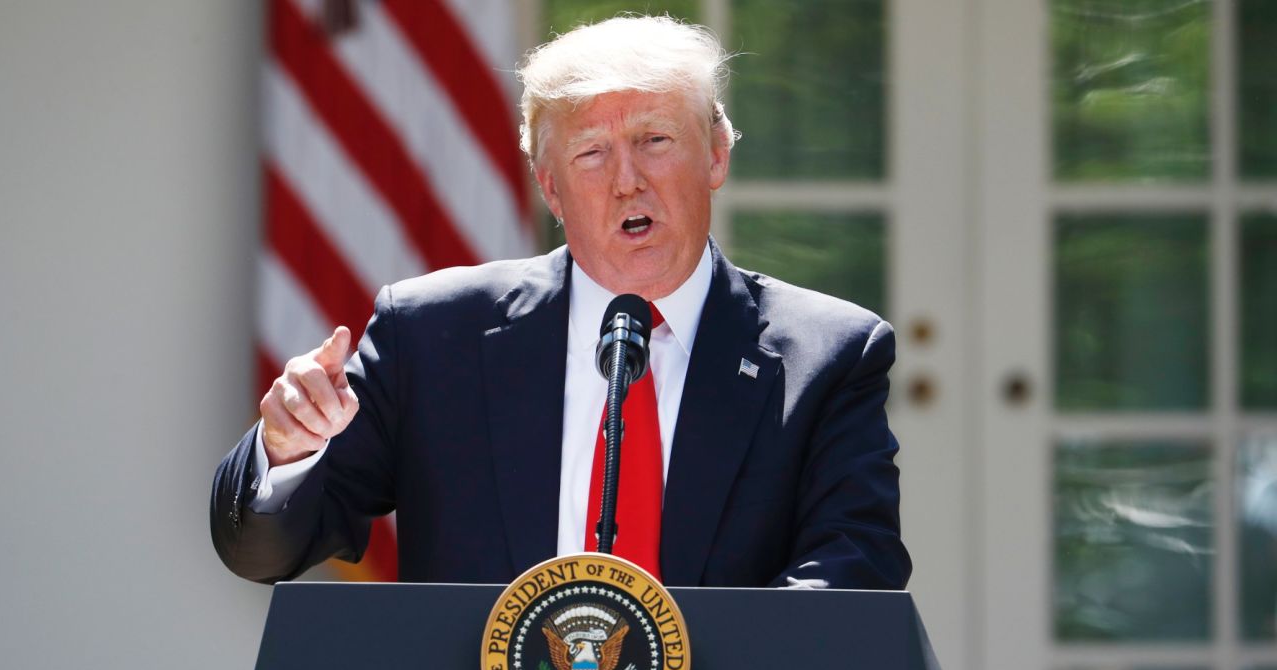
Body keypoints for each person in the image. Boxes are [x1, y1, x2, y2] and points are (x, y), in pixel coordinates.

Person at [211, 15, 910, 590]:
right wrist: (285, 452)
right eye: (591, 154)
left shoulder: (828, 355)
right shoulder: (431, 335)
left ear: (716, 155)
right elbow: (264, 552)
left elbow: (856, 568)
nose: (627, 181)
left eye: (655, 140)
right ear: (550, 188)